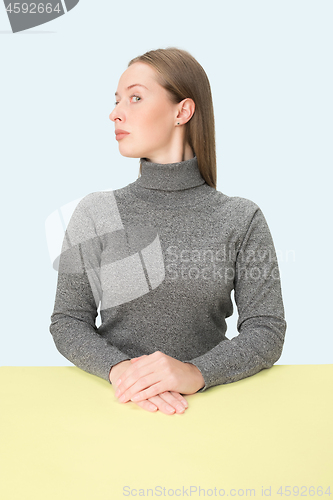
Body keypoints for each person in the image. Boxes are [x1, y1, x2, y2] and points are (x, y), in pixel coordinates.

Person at [50, 47, 287, 416]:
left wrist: (195, 372)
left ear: (182, 111)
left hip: (211, 414)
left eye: (136, 97)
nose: (115, 113)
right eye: (116, 101)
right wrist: (123, 371)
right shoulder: (97, 212)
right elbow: (68, 321)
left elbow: (267, 331)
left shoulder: (241, 217)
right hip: (113, 410)